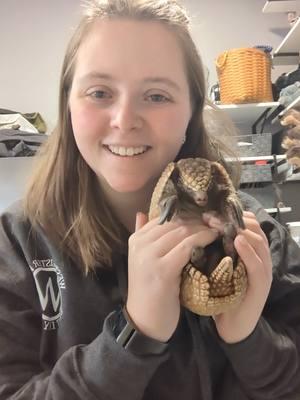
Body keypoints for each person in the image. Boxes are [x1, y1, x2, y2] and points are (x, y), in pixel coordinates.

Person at [0, 1, 300, 399]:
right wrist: (134, 335)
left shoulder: (256, 236)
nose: (125, 119)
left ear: (193, 110)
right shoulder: (17, 245)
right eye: (100, 92)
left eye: (157, 95)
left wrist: (249, 337)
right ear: (68, 102)